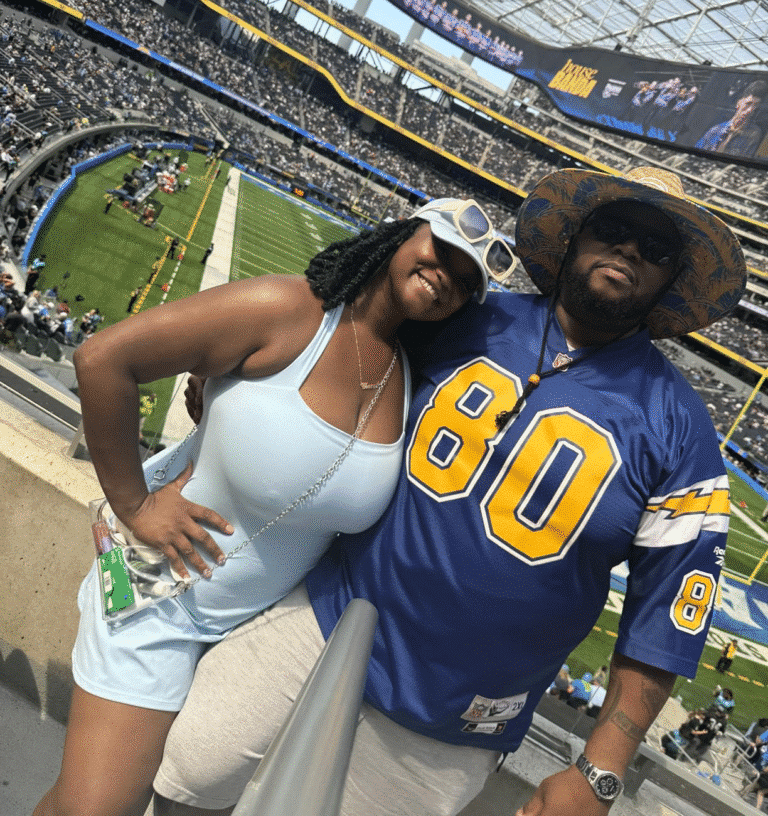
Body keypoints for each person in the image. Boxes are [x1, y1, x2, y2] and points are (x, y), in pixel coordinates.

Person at [152, 166, 745, 816]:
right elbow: (333, 343)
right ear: (576, 236)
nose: (630, 250)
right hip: (326, 614)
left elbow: (668, 610)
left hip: (458, 715)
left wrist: (601, 770)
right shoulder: (471, 317)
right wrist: (224, 372)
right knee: (186, 773)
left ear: (671, 279)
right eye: (615, 229)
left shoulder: (681, 430)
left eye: (655, 249)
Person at [34, 198, 508, 816]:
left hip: (251, 635)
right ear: (401, 231)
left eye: (467, 281)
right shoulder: (289, 310)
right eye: (442, 250)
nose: (449, 275)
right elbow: (104, 360)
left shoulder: (408, 376)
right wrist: (135, 503)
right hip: (158, 600)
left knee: (80, 799)